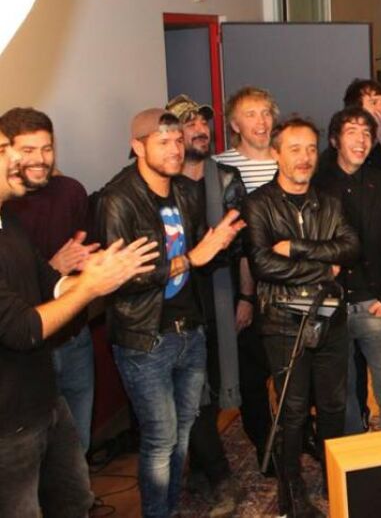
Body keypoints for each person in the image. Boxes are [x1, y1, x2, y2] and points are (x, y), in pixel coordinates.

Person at [0, 127, 158, 518]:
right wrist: (89, 288)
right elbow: (23, 329)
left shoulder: (8, 224)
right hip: (8, 424)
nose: (17, 159)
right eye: (3, 150)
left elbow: (51, 284)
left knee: (75, 501)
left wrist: (101, 274)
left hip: (45, 401)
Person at [96, 109, 245, 518]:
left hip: (189, 331)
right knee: (161, 438)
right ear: (137, 147)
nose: (176, 148)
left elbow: (202, 254)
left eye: (178, 140)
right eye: (163, 142)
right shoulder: (117, 200)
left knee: (181, 433)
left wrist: (226, 245)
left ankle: (170, 507)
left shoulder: (184, 191)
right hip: (145, 338)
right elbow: (120, 280)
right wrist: (191, 259)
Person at [243, 117, 360, 517]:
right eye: (294, 149)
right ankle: (291, 493)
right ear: (276, 154)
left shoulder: (330, 202)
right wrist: (323, 268)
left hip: (330, 318)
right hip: (283, 322)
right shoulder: (258, 204)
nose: (305, 157)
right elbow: (262, 264)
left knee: (332, 406)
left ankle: (333, 477)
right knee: (292, 411)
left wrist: (294, 247)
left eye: (311, 148)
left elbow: (350, 248)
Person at [165, 94, 247, 515]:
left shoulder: (228, 178)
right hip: (177, 303)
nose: (199, 130)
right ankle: (219, 476)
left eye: (203, 122)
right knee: (193, 394)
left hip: (220, 294)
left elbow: (243, 245)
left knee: (210, 389)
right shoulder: (163, 184)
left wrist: (246, 295)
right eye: (188, 124)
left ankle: (199, 467)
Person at [1, 107, 98, 454]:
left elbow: (58, 273)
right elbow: (17, 317)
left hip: (73, 337)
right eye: (27, 150)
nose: (39, 159)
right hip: (24, 355)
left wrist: (96, 270)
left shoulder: (70, 191)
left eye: (46, 148)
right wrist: (61, 269)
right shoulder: (10, 206)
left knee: (74, 448)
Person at [313, 106, 381, 438]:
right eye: (352, 132)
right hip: (332, 304)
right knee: (344, 393)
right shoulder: (318, 184)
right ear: (335, 140)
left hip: (374, 302)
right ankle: (355, 459)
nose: (361, 140)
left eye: (367, 133)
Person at [213, 86, 280, 467]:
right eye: (251, 114)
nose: (261, 121)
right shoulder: (219, 168)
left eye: (266, 112)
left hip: (288, 281)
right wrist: (245, 295)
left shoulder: (288, 156)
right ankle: (264, 442)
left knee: (291, 368)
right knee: (252, 370)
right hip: (246, 283)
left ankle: (296, 433)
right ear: (235, 124)